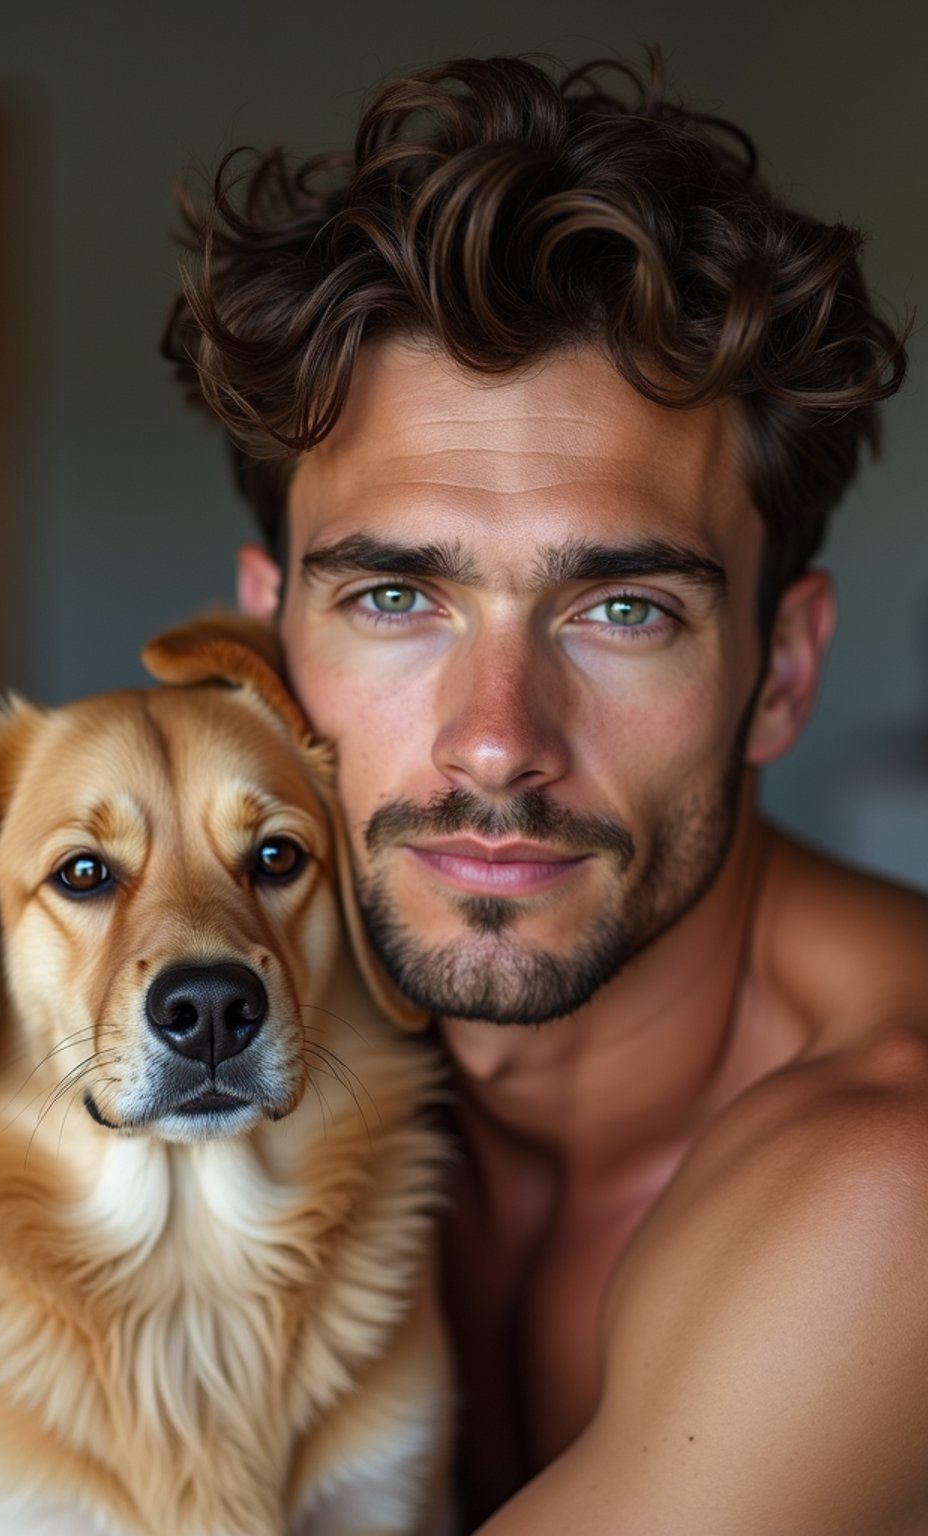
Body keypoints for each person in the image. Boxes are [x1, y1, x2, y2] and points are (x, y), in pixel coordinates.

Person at [165, 52, 928, 1534]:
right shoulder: (216, 1051)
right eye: (396, 597)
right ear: (267, 653)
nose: (497, 741)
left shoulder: (895, 1182)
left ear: (780, 670)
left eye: (623, 610)